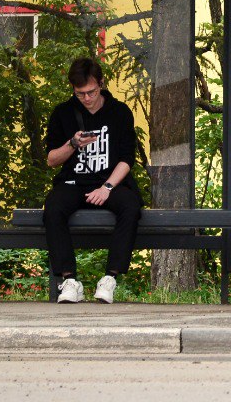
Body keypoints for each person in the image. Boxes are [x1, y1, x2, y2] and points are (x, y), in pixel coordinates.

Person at [43, 57, 142, 303]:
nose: (87, 98)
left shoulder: (119, 112)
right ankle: (69, 281)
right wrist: (72, 143)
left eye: (91, 92)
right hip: (73, 182)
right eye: (80, 94)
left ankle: (109, 278)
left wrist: (107, 187)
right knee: (53, 207)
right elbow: (51, 160)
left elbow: (127, 159)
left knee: (131, 206)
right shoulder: (63, 113)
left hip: (110, 182)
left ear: (101, 84)